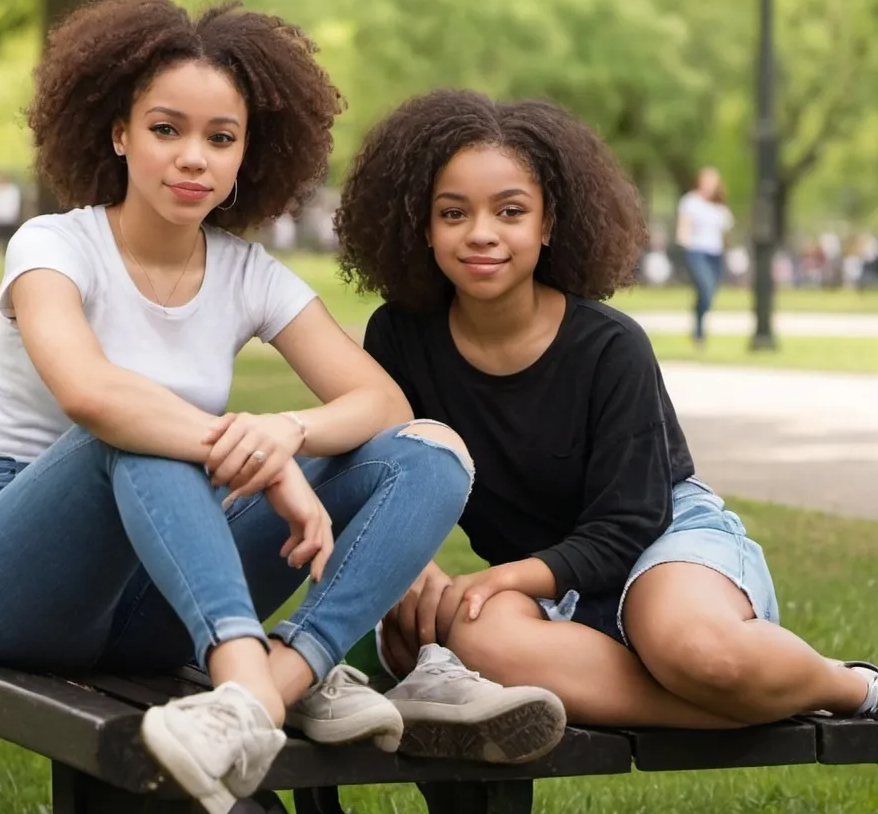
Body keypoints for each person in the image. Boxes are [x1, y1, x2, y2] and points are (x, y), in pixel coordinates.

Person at [0, 0, 564, 814]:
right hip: (11, 580)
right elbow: (90, 394)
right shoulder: (54, 245)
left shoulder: (247, 273)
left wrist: (287, 432)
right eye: (166, 129)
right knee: (135, 426)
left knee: (432, 450)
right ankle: (248, 686)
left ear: (245, 157)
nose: (193, 157)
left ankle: (284, 676)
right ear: (118, 133)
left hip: (163, 591)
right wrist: (273, 472)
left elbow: (382, 400)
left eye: (220, 138)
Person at [335, 90, 878, 731]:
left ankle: (850, 688)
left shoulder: (610, 345)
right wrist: (415, 565)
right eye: (453, 212)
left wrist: (516, 577)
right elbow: (384, 468)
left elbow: (629, 522)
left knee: (695, 650)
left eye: (510, 211)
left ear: (548, 223)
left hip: (661, 544)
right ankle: (738, 709)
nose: (481, 232)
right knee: (478, 640)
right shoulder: (401, 337)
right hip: (543, 580)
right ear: (422, 226)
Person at [675, 167, 734, 344]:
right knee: (706, 289)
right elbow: (684, 227)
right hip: (697, 251)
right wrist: (684, 244)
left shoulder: (720, 207)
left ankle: (698, 325)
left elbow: (725, 233)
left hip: (715, 253)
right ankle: (699, 332)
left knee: (710, 293)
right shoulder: (690, 202)